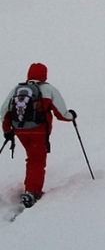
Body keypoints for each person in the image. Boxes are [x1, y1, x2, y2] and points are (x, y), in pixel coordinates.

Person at [1, 63, 76, 208]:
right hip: (39, 131)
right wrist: (71, 116)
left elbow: (4, 111)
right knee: (37, 161)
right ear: (44, 75)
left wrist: (7, 131)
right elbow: (62, 114)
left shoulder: (17, 89)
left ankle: (30, 186)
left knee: (32, 158)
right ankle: (31, 192)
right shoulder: (48, 89)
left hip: (19, 130)